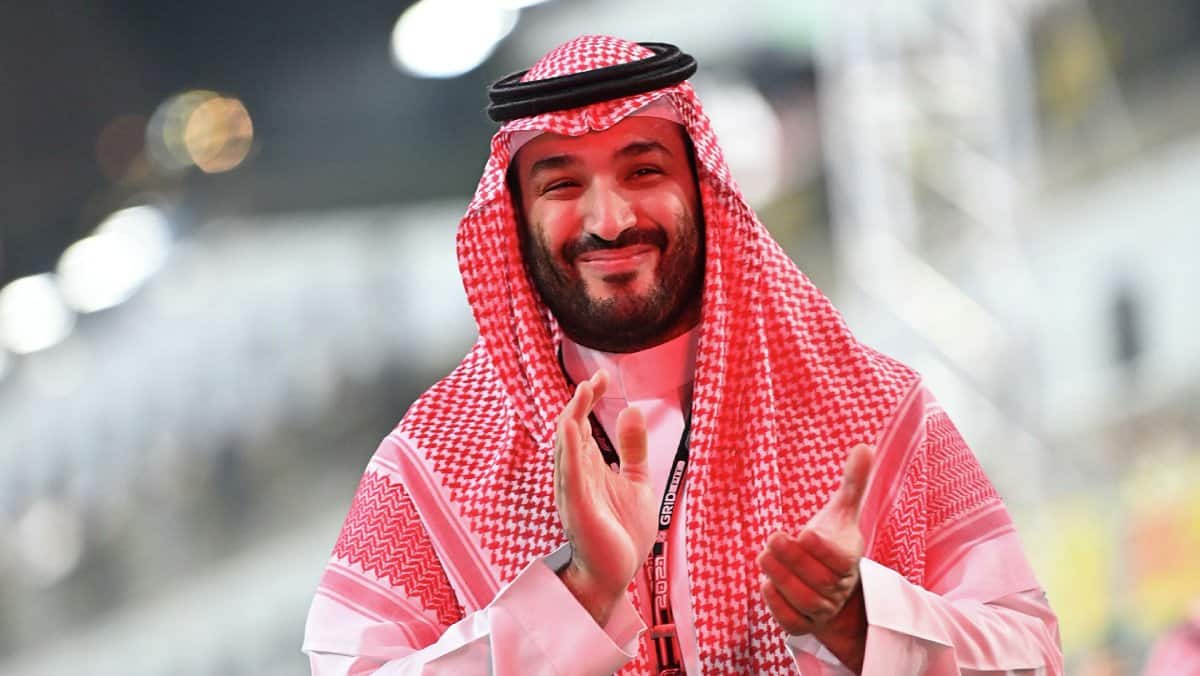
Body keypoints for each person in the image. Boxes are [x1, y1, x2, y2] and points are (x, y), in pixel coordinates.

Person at [302, 35, 1063, 675]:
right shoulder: (434, 465)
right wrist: (576, 596)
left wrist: (861, 622)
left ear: (702, 187)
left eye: (643, 171)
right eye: (562, 185)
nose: (608, 220)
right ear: (515, 218)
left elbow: (1031, 654)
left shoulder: (872, 406)